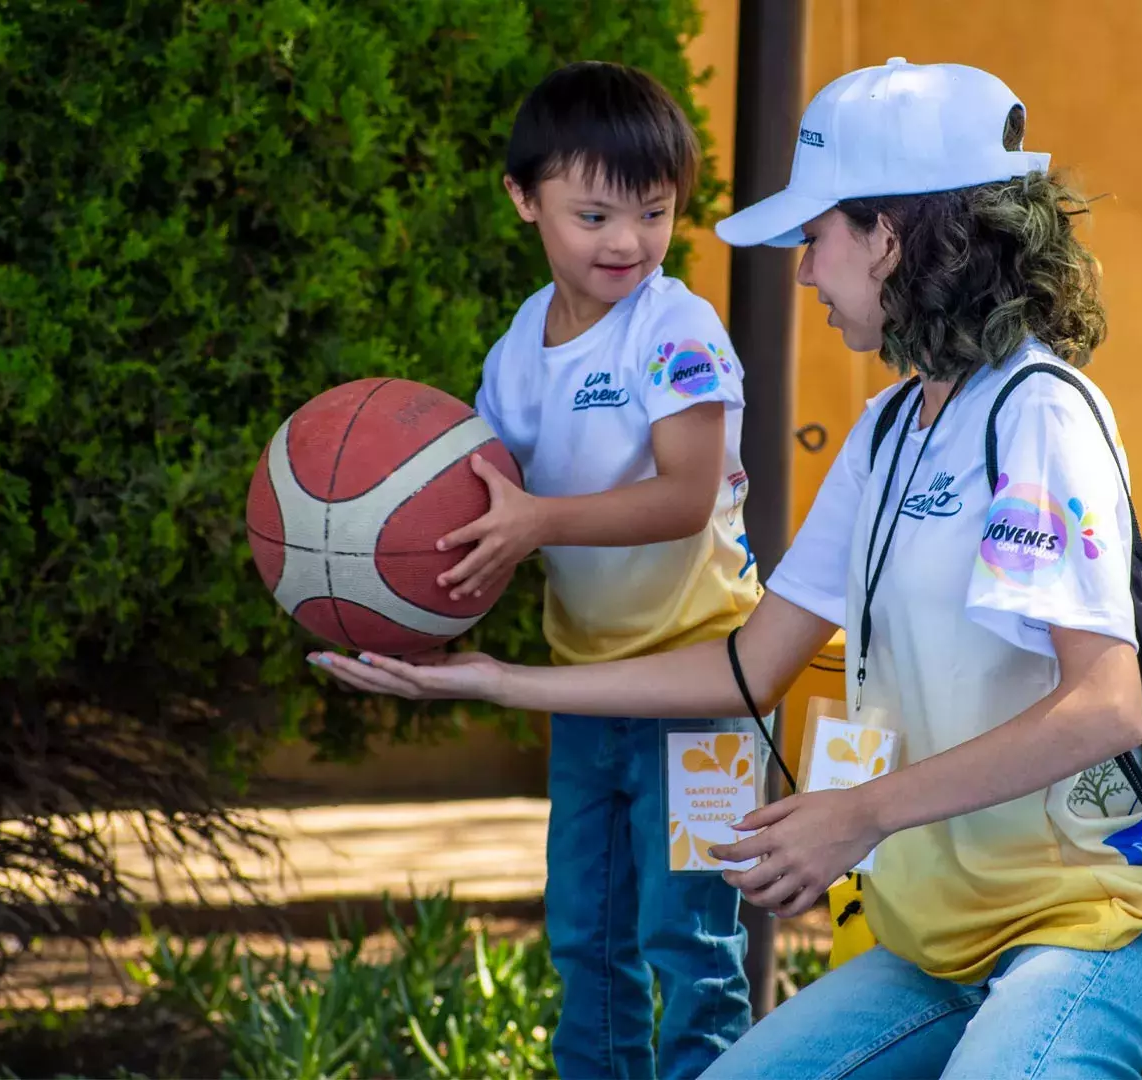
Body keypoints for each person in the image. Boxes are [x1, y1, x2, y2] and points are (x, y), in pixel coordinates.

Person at [316, 59, 1142, 1078]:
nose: (801, 271)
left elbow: (1106, 712)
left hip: (1095, 926)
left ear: (894, 234)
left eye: (816, 237)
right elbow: (744, 669)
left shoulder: (1040, 413)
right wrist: (493, 681)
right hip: (937, 949)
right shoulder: (884, 430)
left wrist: (857, 814)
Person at [429, 61, 761, 1079]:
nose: (627, 242)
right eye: (594, 215)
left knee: (693, 948)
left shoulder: (677, 331)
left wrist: (533, 523)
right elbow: (490, 511)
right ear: (523, 200)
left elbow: (685, 497)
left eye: (653, 214)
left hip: (706, 688)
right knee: (586, 937)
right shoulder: (515, 352)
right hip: (584, 688)